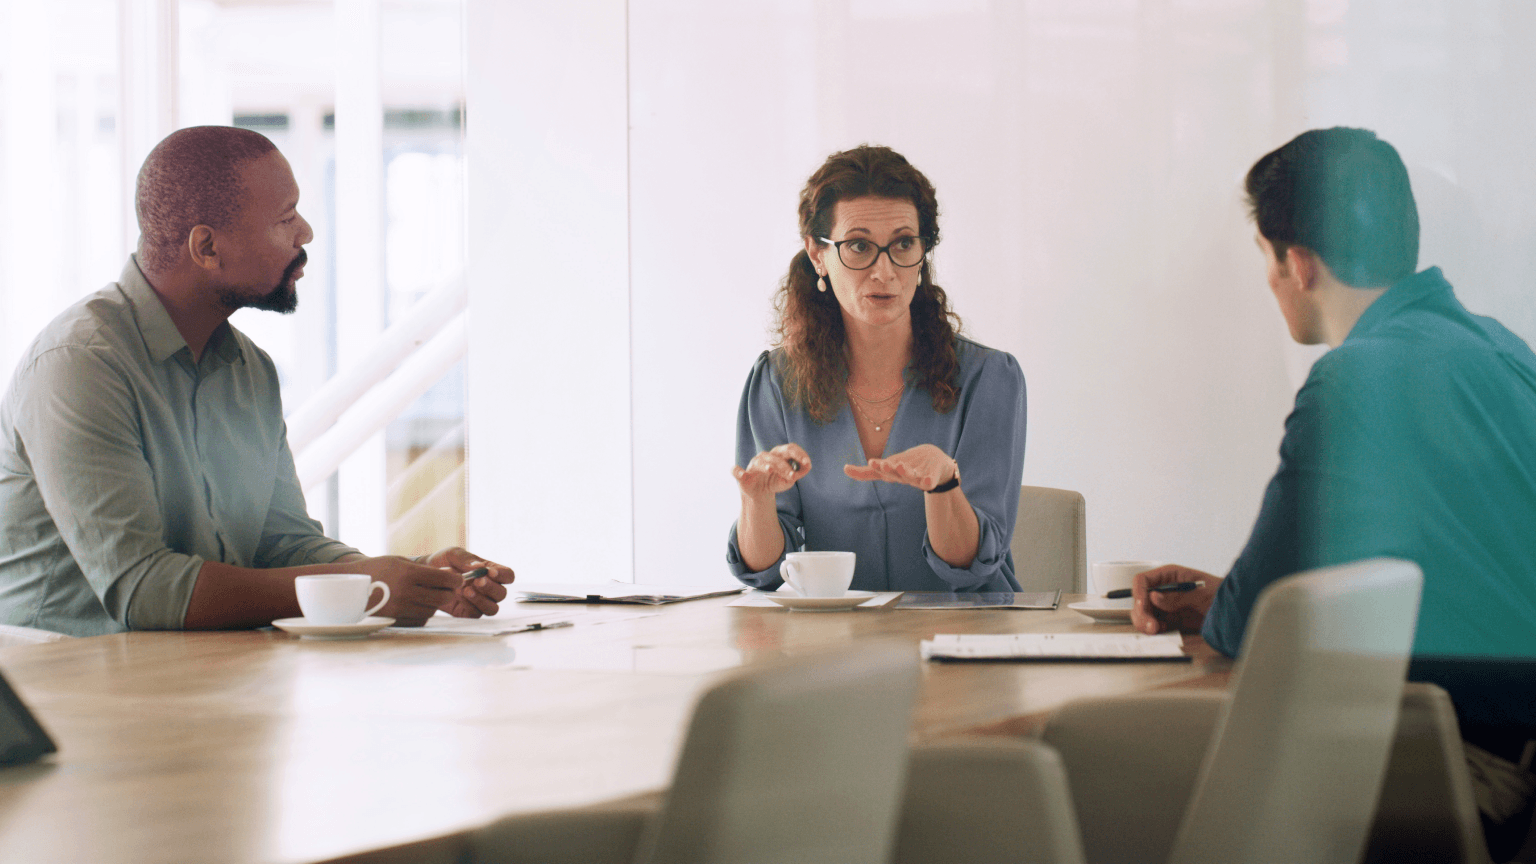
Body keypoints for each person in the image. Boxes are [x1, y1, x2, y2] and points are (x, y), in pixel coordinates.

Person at [1128, 127, 1536, 860]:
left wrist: (1234, 606)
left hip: (1459, 765)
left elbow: (1242, 626)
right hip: (1518, 747)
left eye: (1266, 259)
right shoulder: (1502, 348)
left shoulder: (1355, 379)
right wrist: (1230, 597)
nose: (1269, 281)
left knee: (1137, 780)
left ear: (1299, 264)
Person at [0, 125, 513, 637]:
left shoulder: (251, 370)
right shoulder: (79, 366)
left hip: (197, 670)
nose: (305, 232)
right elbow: (145, 590)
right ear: (206, 247)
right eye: (286, 218)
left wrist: (415, 577)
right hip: (64, 677)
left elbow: (284, 545)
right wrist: (366, 588)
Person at [728, 145, 1027, 593]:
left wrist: (943, 486)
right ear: (817, 253)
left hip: (968, 628)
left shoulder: (989, 379)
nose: (884, 271)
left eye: (903, 243)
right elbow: (765, 572)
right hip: (839, 633)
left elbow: (971, 566)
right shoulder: (776, 382)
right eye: (859, 246)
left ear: (923, 252)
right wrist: (756, 502)